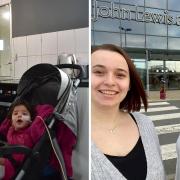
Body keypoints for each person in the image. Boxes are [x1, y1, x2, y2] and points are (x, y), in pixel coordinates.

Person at [91, 44, 166, 180]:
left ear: (130, 84)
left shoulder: (146, 125)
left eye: (120, 75)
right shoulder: (73, 134)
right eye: (99, 72)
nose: (110, 82)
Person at [0, 98, 54, 180]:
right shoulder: (10, 130)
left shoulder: (31, 132)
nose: (19, 115)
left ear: (30, 120)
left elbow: (48, 109)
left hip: (17, 167)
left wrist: (36, 121)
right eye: (15, 114)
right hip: (9, 161)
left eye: (24, 114)